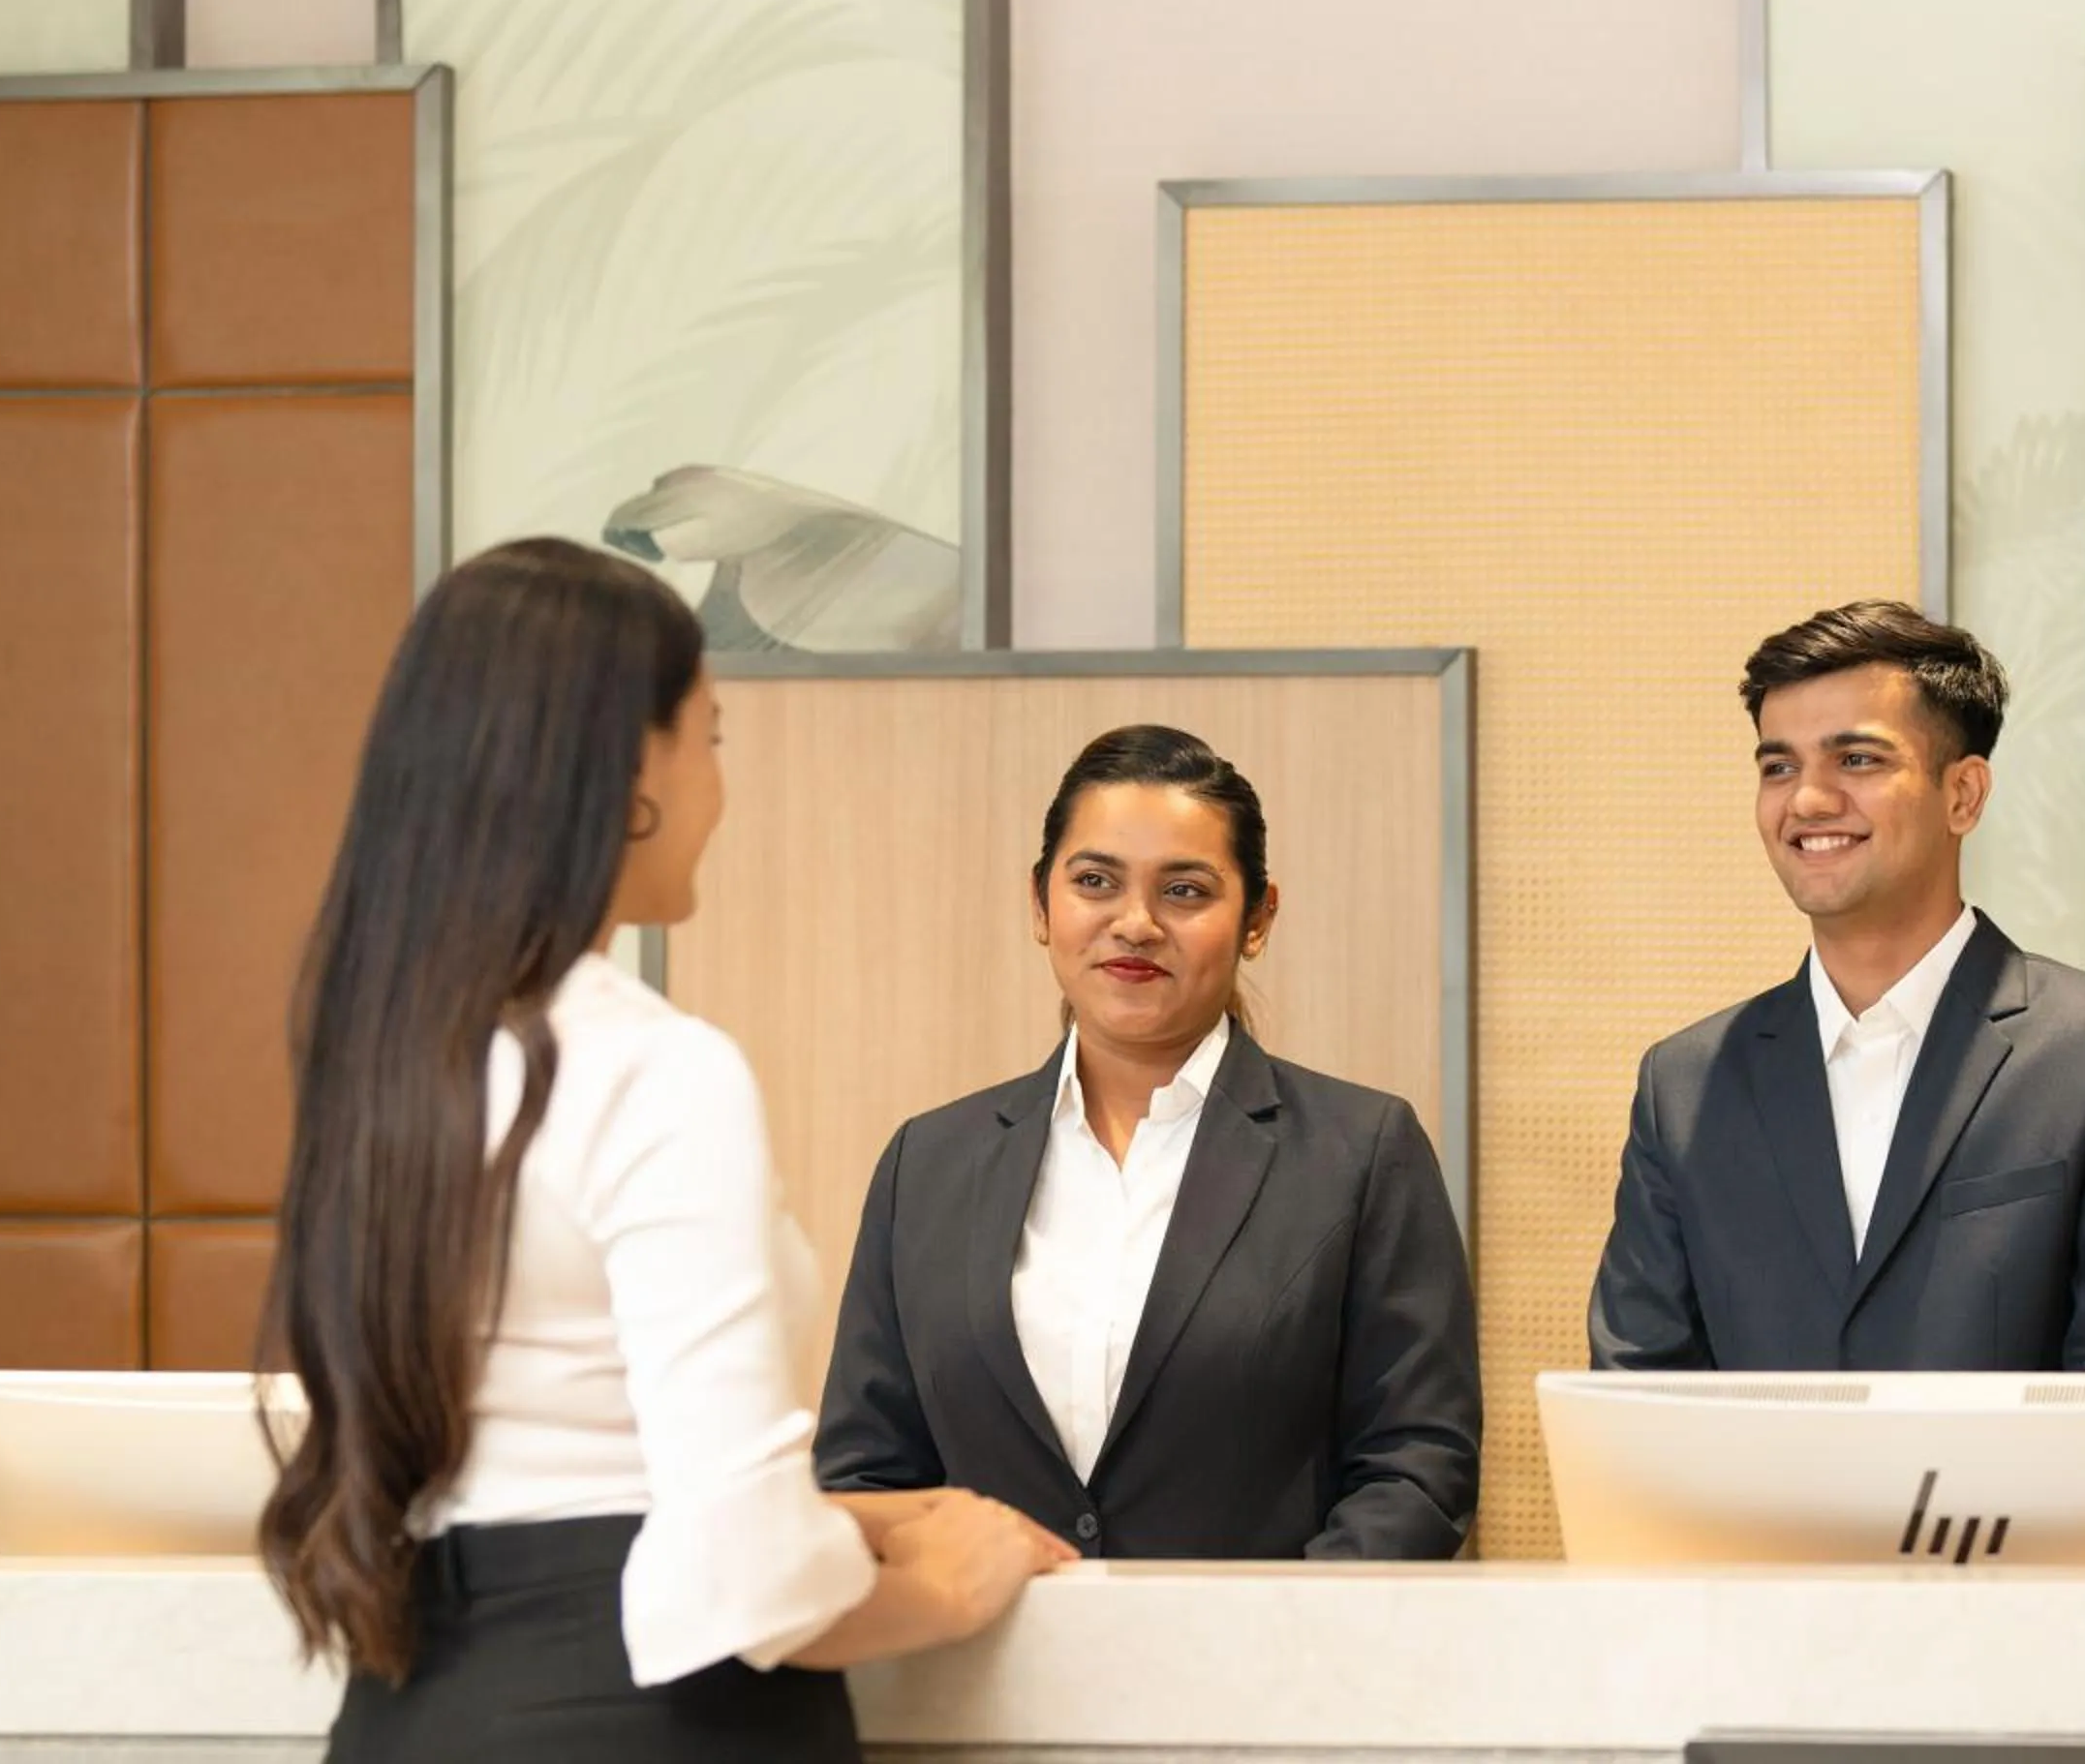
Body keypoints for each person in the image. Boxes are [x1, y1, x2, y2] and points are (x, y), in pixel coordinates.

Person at [256, 538, 1072, 1764]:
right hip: (640, 1719)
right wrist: (952, 1582)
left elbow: (553, 1451)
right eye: (713, 735)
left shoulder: (387, 1066)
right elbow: (741, 1578)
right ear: (634, 764)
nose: (719, 786)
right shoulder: (654, 1066)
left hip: (410, 1713)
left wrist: (845, 1514)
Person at [816, 724, 1481, 1559]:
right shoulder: (929, 1163)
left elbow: (1418, 1465)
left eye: (1186, 891)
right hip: (984, 1672)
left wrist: (1275, 1647)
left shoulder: (1360, 1152)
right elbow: (866, 1470)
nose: (1134, 923)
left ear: (1257, 918)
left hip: (1262, 1673)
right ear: (1039, 903)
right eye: (1095, 881)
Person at [1589, 600, 2085, 1375]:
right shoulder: (1684, 1082)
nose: (1808, 801)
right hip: (1753, 1504)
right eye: (1779, 766)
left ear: (1964, 795)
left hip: (2013, 1501)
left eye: (1857, 760)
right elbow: (1639, 1387)